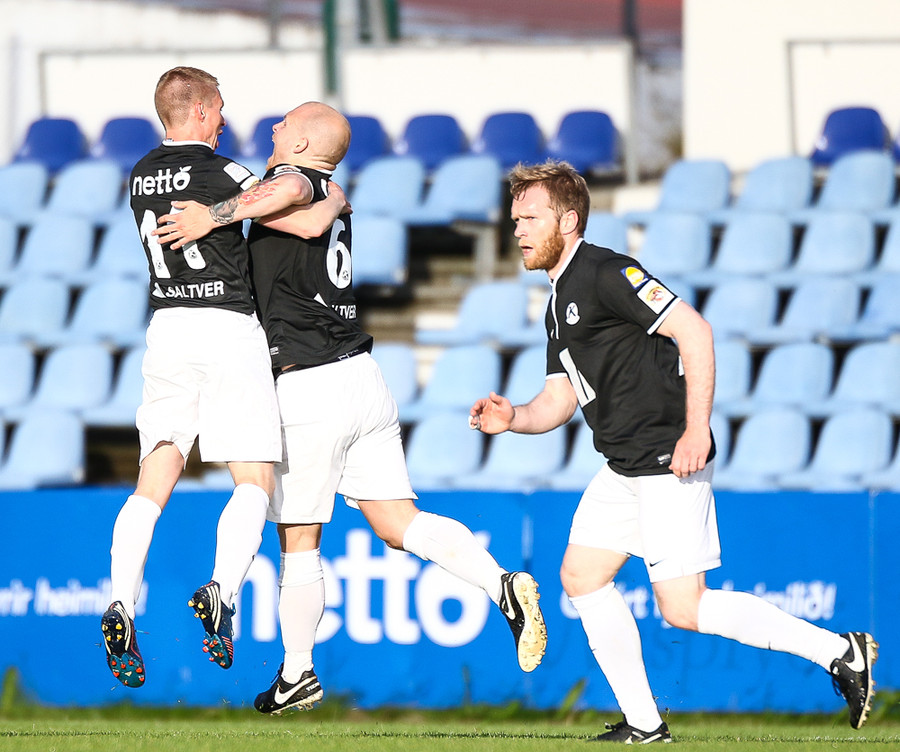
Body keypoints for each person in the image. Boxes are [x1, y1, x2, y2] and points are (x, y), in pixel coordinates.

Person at [153, 101, 548, 714]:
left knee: (298, 538)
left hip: (307, 380)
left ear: (303, 145)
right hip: (362, 378)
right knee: (397, 523)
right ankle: (502, 585)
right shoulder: (324, 192)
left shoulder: (291, 181)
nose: (274, 127)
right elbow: (315, 211)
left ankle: (298, 672)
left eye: (286, 124)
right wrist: (328, 199)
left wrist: (215, 216)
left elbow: (295, 197)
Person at [467, 160, 878, 743]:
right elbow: (559, 397)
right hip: (623, 465)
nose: (518, 230)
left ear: (569, 219)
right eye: (515, 220)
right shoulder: (559, 300)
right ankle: (644, 723)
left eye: (530, 218)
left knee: (683, 607)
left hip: (665, 456)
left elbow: (694, 330)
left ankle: (839, 652)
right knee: (581, 576)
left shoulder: (607, 271)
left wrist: (696, 429)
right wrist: (514, 419)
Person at [100, 66, 290, 688]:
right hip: (227, 324)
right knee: (254, 478)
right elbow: (279, 198)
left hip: (167, 328)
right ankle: (222, 592)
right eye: (220, 108)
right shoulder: (227, 172)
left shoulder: (140, 174)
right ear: (203, 110)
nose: (225, 119)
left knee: (154, 475)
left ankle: (121, 601)